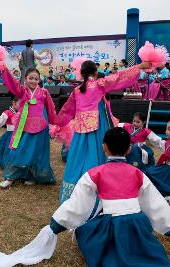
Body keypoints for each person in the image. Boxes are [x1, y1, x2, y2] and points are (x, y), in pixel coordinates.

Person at [0, 128, 170, 267]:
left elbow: (76, 208)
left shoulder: (94, 173)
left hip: (109, 229)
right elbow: (157, 208)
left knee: (85, 232)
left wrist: (54, 227)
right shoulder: (137, 174)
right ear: (130, 148)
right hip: (138, 227)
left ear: (104, 147)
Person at [56, 60, 151, 203]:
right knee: (97, 154)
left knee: (79, 156)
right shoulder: (99, 84)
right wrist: (138, 67)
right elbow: (118, 77)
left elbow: (67, 110)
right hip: (97, 125)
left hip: (81, 127)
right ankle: (96, 188)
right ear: (95, 72)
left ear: (81, 73)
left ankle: (75, 188)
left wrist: (57, 123)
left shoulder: (76, 90)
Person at [0, 65, 57, 188]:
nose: (33, 81)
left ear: (39, 80)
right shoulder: (22, 91)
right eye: (31, 78)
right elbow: (12, 83)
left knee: (37, 153)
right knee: (19, 151)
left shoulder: (44, 92)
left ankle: (33, 176)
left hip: (40, 127)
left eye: (36, 79)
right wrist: (4, 70)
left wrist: (54, 124)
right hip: (24, 126)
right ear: (25, 79)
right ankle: (10, 177)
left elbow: (51, 110)